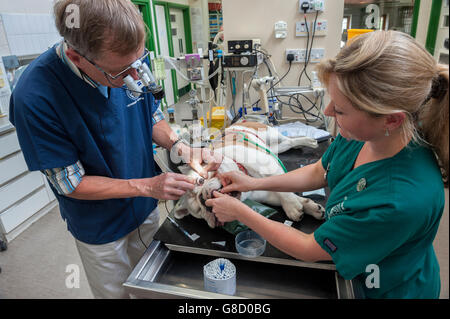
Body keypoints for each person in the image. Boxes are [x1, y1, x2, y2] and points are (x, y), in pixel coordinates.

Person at [206, 30, 448, 299]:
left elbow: (310, 247)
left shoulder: (402, 199)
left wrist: (241, 211)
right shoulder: (364, 135)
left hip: (386, 288)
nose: (327, 111)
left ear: (391, 120)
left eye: (341, 110)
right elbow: (320, 170)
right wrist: (253, 183)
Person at [9, 0, 220, 299]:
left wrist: (181, 146)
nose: (136, 77)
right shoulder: (35, 97)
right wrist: (148, 186)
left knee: (151, 284)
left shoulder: (128, 60)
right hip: (100, 227)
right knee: (117, 294)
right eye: (122, 72)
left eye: (140, 62)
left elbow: (151, 116)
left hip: (144, 208)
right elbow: (71, 182)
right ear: (76, 57)